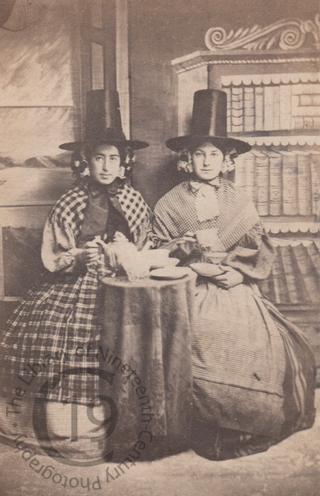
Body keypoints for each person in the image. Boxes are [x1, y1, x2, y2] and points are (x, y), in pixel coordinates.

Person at [152, 89, 316, 460]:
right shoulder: (170, 202)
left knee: (253, 336)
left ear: (227, 160)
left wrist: (241, 275)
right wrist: (188, 255)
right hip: (191, 284)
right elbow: (156, 249)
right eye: (199, 153)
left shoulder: (239, 200)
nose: (207, 161)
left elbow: (259, 248)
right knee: (202, 333)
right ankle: (207, 424)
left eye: (214, 154)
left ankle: (242, 423)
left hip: (234, 285)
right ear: (187, 158)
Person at [0, 90, 152, 459]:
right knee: (59, 335)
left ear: (124, 162)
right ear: (85, 161)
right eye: (98, 157)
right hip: (76, 282)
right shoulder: (70, 201)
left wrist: (126, 256)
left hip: (123, 280)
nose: (105, 165)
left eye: (113, 158)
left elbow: (146, 244)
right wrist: (80, 256)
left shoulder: (133, 199)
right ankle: (67, 428)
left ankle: (128, 424)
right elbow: (53, 255)